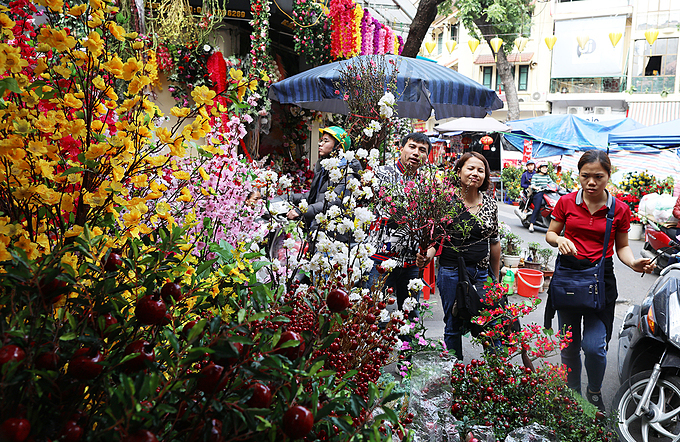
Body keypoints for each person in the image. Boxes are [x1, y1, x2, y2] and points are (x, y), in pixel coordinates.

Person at [544, 150, 655, 411]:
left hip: (600, 282)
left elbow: (623, 247)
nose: (591, 182)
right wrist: (559, 239)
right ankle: (572, 396)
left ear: (608, 175)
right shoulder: (566, 203)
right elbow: (550, 233)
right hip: (569, 279)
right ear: (579, 175)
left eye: (598, 177)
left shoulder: (619, 209)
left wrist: (633, 262)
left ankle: (594, 391)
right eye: (585, 176)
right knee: (569, 346)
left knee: (594, 347)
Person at [418, 152, 501, 360]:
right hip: (451, 271)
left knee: (489, 323)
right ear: (459, 171)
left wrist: (496, 279)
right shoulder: (446, 201)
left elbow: (494, 242)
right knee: (453, 324)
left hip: (482, 273)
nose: (475, 174)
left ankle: (496, 373)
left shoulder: (490, 204)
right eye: (470, 168)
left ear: (485, 176)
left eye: (480, 170)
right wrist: (427, 256)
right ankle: (455, 374)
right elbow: (435, 239)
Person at [366, 132, 432, 318]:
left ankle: (409, 347)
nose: (416, 153)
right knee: (375, 312)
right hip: (380, 257)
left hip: (411, 260)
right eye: (412, 147)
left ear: (426, 157)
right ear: (401, 148)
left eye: (422, 150)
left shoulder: (426, 183)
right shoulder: (381, 174)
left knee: (410, 314)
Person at [287, 126, 361, 235]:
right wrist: (290, 197)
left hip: (333, 235)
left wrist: (301, 211)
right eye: (321, 140)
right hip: (317, 229)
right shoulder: (324, 169)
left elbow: (333, 202)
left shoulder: (347, 174)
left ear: (339, 147)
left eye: (326, 141)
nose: (320, 144)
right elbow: (315, 195)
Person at [528, 161, 556, 232]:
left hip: (547, 193)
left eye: (546, 167)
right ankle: (531, 224)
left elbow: (552, 183)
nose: (545, 169)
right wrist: (536, 187)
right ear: (539, 168)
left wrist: (558, 187)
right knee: (537, 207)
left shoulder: (547, 176)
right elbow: (533, 184)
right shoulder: (535, 176)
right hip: (538, 193)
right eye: (543, 167)